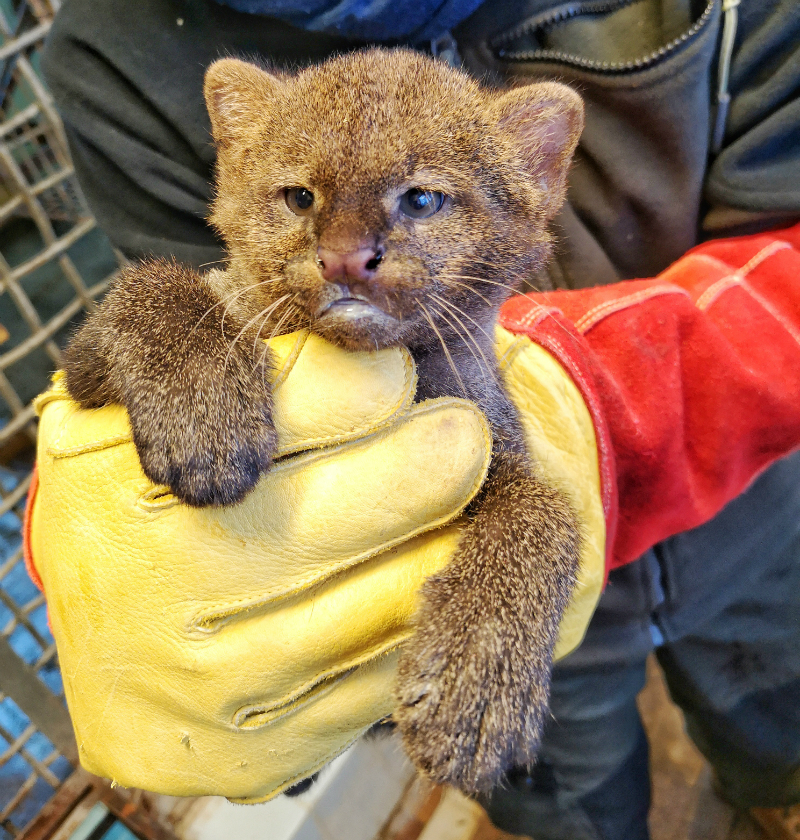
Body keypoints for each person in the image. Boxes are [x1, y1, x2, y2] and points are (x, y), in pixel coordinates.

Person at [35, 1, 800, 838]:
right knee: (562, 804)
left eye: (423, 201)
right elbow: (152, 371)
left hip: (750, 524)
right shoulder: (116, 52)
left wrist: (578, 423)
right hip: (484, 640)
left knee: (775, 724)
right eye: (300, 198)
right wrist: (152, 342)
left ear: (539, 172)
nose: (346, 252)